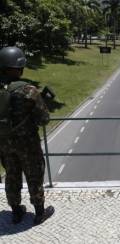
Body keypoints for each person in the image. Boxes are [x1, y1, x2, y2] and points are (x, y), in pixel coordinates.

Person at [0, 46, 54, 225]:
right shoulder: (29, 90)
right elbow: (44, 119)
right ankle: (39, 213)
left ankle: (16, 211)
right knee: (34, 175)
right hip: (27, 143)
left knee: (12, 175)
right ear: (18, 68)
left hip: (5, 143)